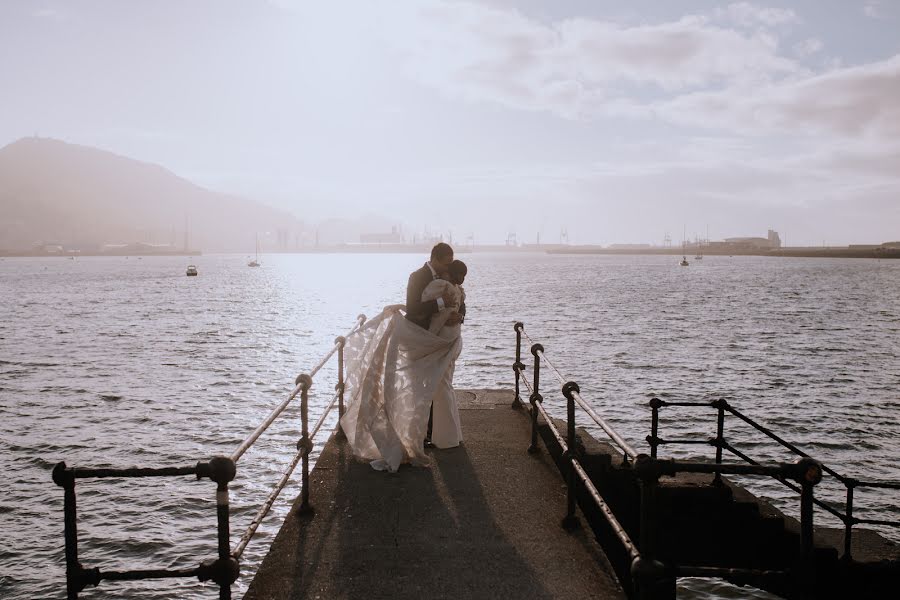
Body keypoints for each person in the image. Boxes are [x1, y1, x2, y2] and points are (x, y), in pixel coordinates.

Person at [339, 244, 467, 471]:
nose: (449, 266)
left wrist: (457, 316)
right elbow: (414, 306)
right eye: (447, 261)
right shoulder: (417, 277)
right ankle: (416, 436)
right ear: (435, 259)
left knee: (440, 384)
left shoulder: (448, 278)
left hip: (441, 339)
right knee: (416, 388)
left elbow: (461, 302)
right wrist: (441, 304)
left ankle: (437, 436)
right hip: (417, 339)